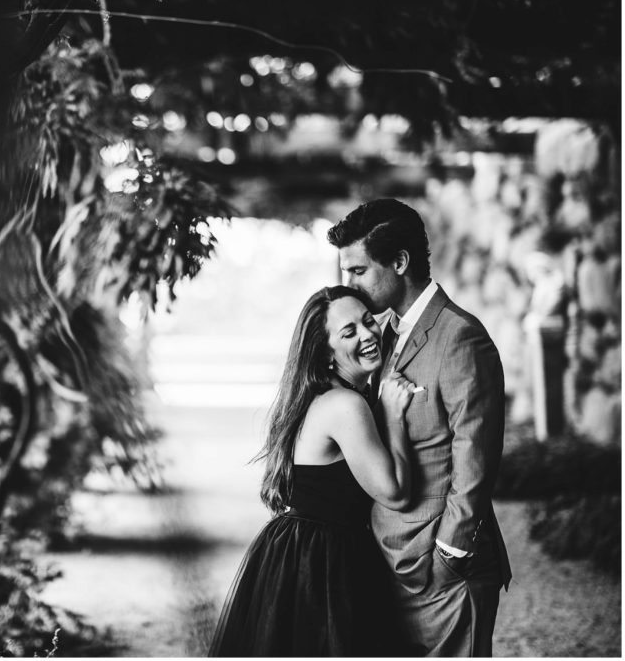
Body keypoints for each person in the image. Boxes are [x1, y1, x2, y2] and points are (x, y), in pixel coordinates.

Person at [327, 198, 512, 657]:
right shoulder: (382, 334)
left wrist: (451, 552)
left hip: (443, 566)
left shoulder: (460, 336)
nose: (347, 283)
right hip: (391, 562)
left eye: (358, 271)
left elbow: (477, 454)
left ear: (400, 262)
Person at [208, 285, 417, 657]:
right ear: (326, 353)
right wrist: (395, 416)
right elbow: (396, 492)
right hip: (322, 562)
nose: (368, 334)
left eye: (368, 321)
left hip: (295, 551)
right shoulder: (345, 405)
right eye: (348, 332)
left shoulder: (319, 398)